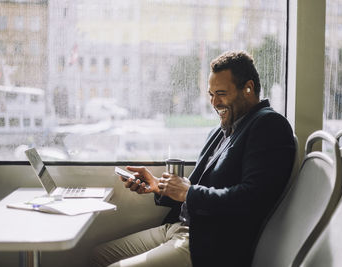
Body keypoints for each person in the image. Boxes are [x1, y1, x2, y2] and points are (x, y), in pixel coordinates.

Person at [92, 51, 295, 267]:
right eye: (210, 94)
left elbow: (252, 198)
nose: (214, 102)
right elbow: (198, 188)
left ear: (248, 88)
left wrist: (188, 192)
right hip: (182, 227)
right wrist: (159, 187)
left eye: (221, 93)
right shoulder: (224, 130)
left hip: (211, 243)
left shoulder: (269, 125)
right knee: (96, 256)